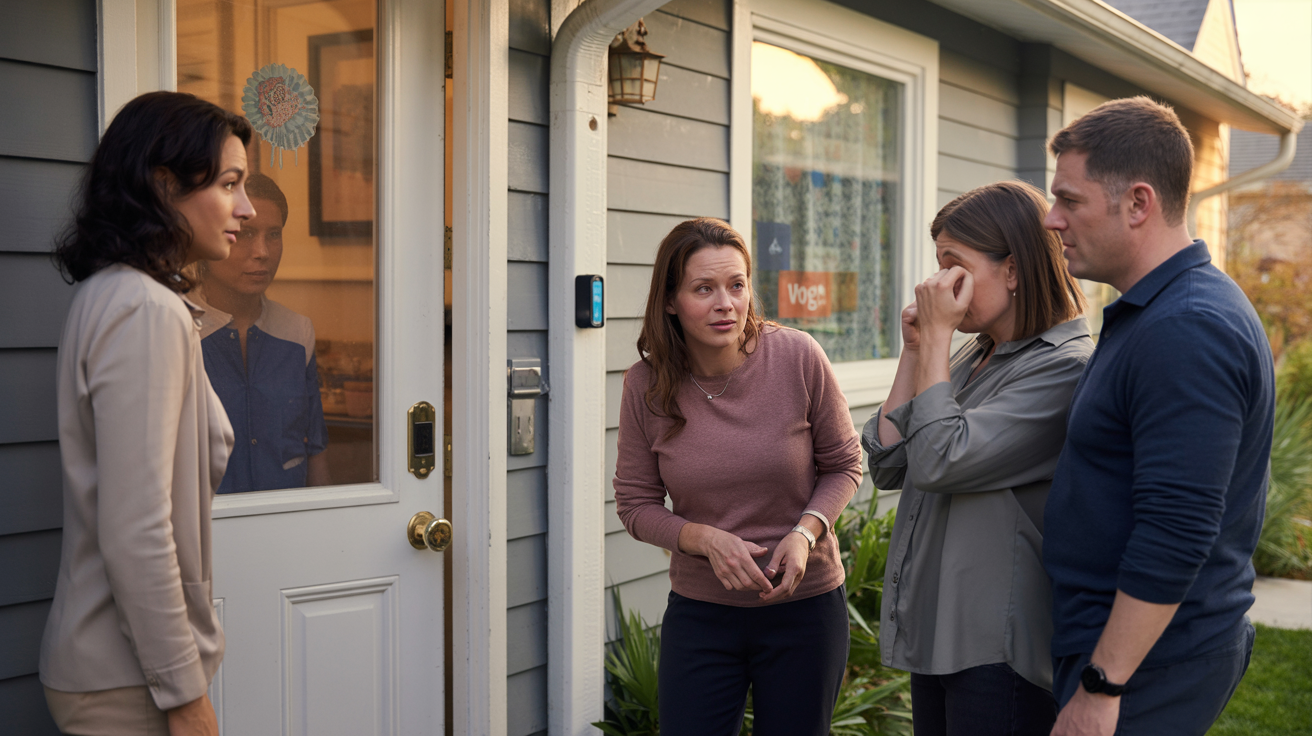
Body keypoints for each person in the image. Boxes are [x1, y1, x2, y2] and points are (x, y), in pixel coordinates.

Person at [1042, 97, 1274, 736]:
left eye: (1070, 200)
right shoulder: (1158, 312)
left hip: (1149, 663)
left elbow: (1177, 530)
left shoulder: (1189, 329)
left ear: (1138, 203)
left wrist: (1102, 685)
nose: (1053, 220)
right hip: (1127, 648)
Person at [41, 91, 253, 735]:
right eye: (229, 184)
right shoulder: (144, 310)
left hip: (115, 666)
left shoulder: (116, 292)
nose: (244, 208)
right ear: (164, 186)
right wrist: (186, 696)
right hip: (126, 680)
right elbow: (137, 527)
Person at [613, 217, 862, 736]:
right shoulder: (646, 384)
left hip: (805, 608)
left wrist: (805, 531)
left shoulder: (797, 356)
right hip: (702, 613)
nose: (726, 303)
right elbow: (636, 505)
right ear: (670, 300)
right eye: (704, 288)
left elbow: (844, 464)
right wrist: (702, 539)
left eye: (737, 285)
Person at [862, 181, 1092, 736]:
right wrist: (917, 350)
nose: (936, 285)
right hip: (939, 630)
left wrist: (937, 342)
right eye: (937, 266)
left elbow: (942, 461)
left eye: (954, 267)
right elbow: (889, 462)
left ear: (1012, 270)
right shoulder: (971, 356)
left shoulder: (1063, 369)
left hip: (998, 648)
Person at [192, 173, 330, 493]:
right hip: (209, 530)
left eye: (273, 234)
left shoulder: (297, 332)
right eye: (246, 232)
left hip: (284, 525)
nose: (262, 252)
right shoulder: (176, 330)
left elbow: (315, 449)